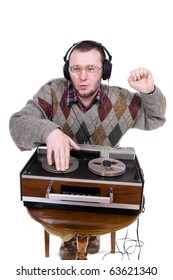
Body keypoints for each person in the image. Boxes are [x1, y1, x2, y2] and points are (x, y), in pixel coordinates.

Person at [9, 40, 166, 260]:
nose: (83, 77)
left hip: (102, 183)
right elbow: (17, 124)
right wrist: (49, 132)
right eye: (76, 68)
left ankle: (91, 234)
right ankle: (67, 239)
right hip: (59, 184)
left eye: (91, 68)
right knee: (57, 220)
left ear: (105, 71)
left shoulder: (121, 99)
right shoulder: (53, 91)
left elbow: (155, 118)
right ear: (67, 70)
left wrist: (149, 92)